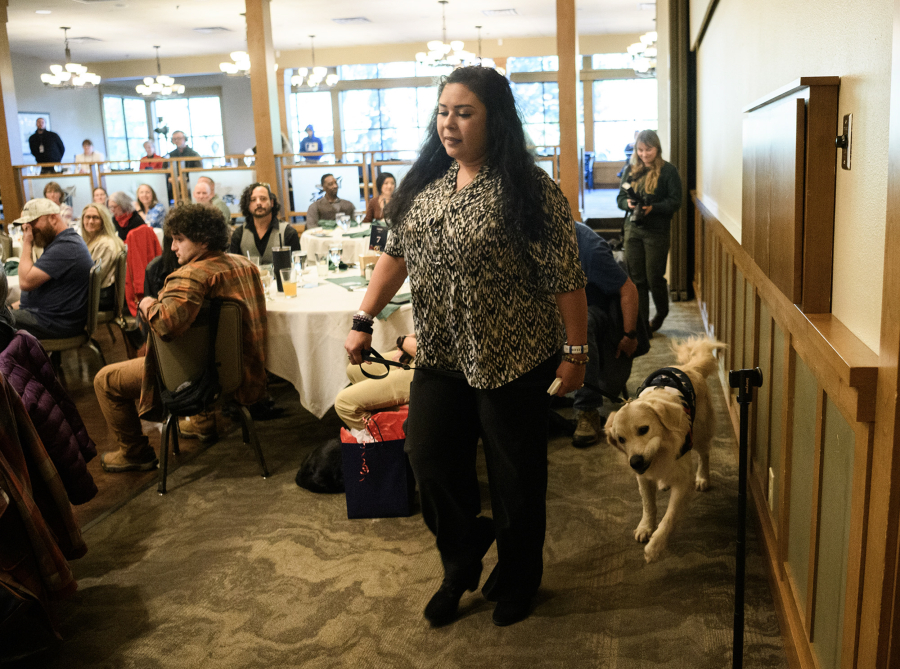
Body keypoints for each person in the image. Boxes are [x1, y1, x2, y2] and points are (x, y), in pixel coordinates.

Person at [344, 66, 588, 628]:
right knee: (427, 459)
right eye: (443, 111)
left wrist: (576, 355)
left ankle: (520, 575)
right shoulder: (423, 190)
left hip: (514, 358)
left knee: (517, 481)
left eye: (465, 112)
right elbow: (394, 257)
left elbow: (565, 277)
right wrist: (364, 317)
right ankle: (463, 555)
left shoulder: (531, 191)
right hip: (441, 356)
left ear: (494, 118)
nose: (450, 123)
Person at [93, 204, 268, 472]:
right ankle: (202, 421)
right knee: (199, 342)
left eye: (178, 239)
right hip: (242, 373)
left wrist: (147, 304)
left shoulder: (189, 276)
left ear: (203, 239)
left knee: (105, 380)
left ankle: (134, 453)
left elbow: (164, 326)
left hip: (198, 380)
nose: (173, 248)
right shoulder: (246, 266)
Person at [570, 223, 640, 447]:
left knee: (581, 324)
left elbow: (628, 289)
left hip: (592, 306)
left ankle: (587, 409)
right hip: (552, 303)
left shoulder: (589, 248)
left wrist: (629, 334)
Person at [617, 129, 683, 333]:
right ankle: (643, 325)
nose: (644, 154)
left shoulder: (668, 171)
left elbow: (675, 201)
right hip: (633, 230)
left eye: (649, 150)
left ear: (657, 149)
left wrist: (653, 208)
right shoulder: (630, 170)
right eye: (641, 150)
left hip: (657, 231)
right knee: (637, 279)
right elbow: (619, 199)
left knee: (654, 277)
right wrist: (627, 204)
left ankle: (661, 313)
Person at [10, 199, 94, 339]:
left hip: (55, 323)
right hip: (49, 317)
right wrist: (12, 308)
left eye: (32, 223)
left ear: (53, 218)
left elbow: (25, 282)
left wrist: (27, 242)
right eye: (25, 226)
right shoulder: (63, 242)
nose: (28, 229)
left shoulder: (67, 246)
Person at [335, 334, 416, 431]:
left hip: (431, 365)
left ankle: (392, 439)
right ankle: (399, 428)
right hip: (421, 351)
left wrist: (403, 342)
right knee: (355, 370)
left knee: (344, 404)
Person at [229, 182, 299, 264]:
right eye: (253, 200)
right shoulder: (239, 234)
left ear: (272, 202)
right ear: (248, 205)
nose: (258, 203)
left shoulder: (288, 232)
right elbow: (234, 268)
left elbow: (297, 266)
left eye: (263, 199)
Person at [80, 204, 124, 312]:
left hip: (101, 298)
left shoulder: (105, 244)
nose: (90, 221)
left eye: (95, 218)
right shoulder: (93, 240)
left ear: (103, 221)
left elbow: (94, 278)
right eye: (87, 217)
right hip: (96, 294)